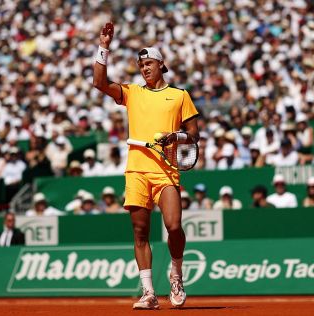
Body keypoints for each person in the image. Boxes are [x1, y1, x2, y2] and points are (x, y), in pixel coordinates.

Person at [92, 23, 199, 309]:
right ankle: (149, 293)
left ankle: (176, 274)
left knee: (174, 226)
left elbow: (194, 133)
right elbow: (99, 83)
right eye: (141, 65)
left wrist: (173, 137)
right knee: (140, 232)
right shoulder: (132, 93)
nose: (144, 69)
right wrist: (104, 47)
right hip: (136, 170)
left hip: (165, 169)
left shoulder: (180, 95)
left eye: (149, 63)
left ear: (161, 64)